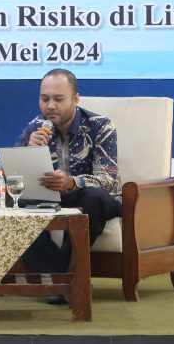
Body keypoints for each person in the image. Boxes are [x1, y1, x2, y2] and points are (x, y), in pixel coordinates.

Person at [14, 69, 121, 301]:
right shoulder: (34, 127)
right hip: (51, 199)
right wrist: (28, 152)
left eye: (58, 99)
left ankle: (61, 279)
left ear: (75, 99)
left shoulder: (100, 126)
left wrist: (72, 182)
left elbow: (108, 179)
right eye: (45, 99)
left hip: (93, 198)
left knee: (91, 197)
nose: (50, 106)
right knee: (14, 204)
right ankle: (63, 281)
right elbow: (10, 177)